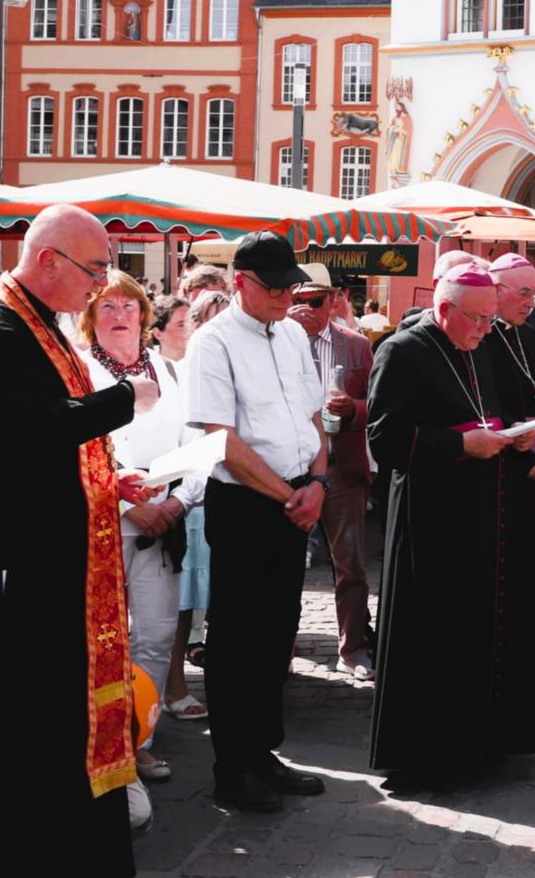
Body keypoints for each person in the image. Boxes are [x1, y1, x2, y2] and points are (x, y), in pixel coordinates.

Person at [0, 205, 157, 876]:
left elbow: (46, 443)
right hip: (17, 553)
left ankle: (69, 843)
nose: (99, 286)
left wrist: (104, 480)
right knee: (24, 711)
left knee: (55, 707)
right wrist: (125, 399)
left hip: (48, 542)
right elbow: (25, 431)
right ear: (48, 260)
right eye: (94, 270)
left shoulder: (38, 321)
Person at [368, 266, 535, 793]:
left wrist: (515, 439)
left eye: (492, 318)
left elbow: (492, 413)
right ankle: (429, 757)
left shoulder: (480, 346)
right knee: (434, 634)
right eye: (479, 319)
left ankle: (480, 744)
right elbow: (385, 440)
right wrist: (459, 444)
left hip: (484, 514)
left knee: (479, 629)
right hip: (430, 519)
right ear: (445, 310)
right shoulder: (402, 351)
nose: (488, 329)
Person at [182, 232, 330, 815]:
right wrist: (293, 496)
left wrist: (318, 483)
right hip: (245, 505)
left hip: (295, 496)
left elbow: (313, 417)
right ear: (240, 282)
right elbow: (221, 438)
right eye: (275, 288)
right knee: (235, 638)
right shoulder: (212, 342)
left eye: (292, 286)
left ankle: (263, 751)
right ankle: (232, 766)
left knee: (276, 632)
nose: (287, 297)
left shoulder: (290, 332)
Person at [78, 272, 197, 789]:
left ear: (144, 314)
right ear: (90, 317)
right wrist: (129, 506)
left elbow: (197, 444)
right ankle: (97, 742)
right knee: (100, 639)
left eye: (129, 305)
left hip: (163, 524)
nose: (120, 314)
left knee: (156, 633)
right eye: (107, 306)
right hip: (103, 522)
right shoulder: (79, 370)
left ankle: (139, 740)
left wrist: (176, 502)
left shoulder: (168, 370)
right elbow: (78, 447)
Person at [480, 253, 535, 715]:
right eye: (522, 292)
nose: (530, 301)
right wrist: (524, 466)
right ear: (493, 291)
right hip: (500, 485)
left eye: (533, 292)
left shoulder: (530, 338)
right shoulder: (480, 343)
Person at [287, 268, 377, 681]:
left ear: (334, 299)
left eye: (315, 301)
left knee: (350, 564)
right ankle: (282, 644)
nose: (306, 309)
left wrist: (353, 409)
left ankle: (353, 647)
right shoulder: (273, 342)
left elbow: (379, 403)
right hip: (289, 470)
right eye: (297, 300)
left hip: (341, 467)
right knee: (285, 565)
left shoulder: (355, 344)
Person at [145, 294, 209, 718]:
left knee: (189, 594)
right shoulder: (152, 370)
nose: (190, 331)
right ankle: (161, 688)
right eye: (181, 323)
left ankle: (172, 685)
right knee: (164, 600)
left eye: (193, 322)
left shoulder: (197, 368)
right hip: (152, 496)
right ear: (157, 332)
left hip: (193, 495)